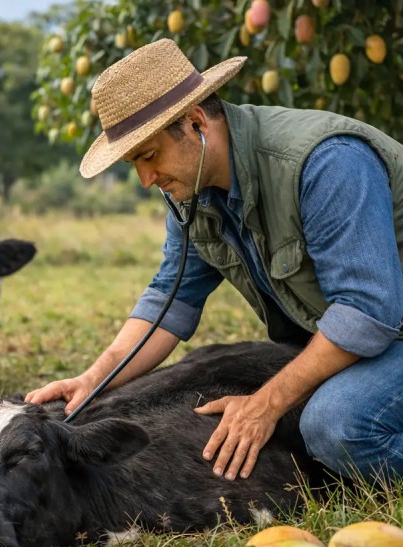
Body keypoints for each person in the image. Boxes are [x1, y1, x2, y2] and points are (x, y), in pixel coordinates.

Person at [25, 39, 403, 483]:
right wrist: (95, 379)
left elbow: (365, 312)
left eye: (149, 155)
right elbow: (170, 298)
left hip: (384, 330)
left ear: (195, 122)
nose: (147, 179)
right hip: (370, 341)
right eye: (134, 164)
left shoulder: (325, 162)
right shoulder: (192, 192)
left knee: (335, 426)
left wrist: (264, 404)